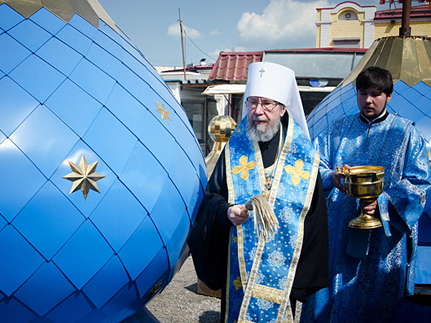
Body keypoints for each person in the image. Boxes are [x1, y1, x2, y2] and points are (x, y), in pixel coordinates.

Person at [188, 62, 328, 322]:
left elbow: (315, 218)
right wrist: (226, 212)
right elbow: (211, 199)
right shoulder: (234, 150)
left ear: (283, 108)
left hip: (282, 274)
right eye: (252, 103)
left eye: (267, 104)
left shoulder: (304, 157)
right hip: (238, 269)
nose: (258, 111)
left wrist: (301, 280)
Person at [300, 66, 431, 322]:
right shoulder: (337, 130)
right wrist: (332, 178)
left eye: (375, 94)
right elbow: (310, 167)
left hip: (384, 238)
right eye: (363, 93)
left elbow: (420, 183)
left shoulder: (406, 134)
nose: (368, 100)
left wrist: (382, 203)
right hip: (339, 229)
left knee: (379, 298)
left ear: (389, 96)